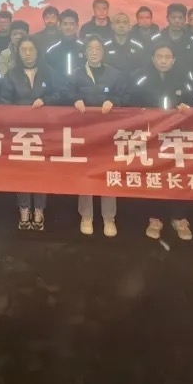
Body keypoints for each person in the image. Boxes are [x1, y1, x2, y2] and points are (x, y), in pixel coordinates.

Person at [130, 42, 193, 241]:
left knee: (177, 175)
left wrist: (187, 105)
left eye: (167, 57)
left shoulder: (185, 78)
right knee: (154, 175)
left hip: (177, 136)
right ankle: (155, 218)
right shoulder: (140, 78)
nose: (163, 60)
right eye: (159, 56)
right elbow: (130, 103)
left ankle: (179, 217)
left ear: (174, 60)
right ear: (153, 59)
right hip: (151, 137)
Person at [66, 36, 128, 237]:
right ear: (84, 52)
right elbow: (64, 93)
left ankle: (109, 218)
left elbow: (126, 96)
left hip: (108, 132)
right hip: (83, 132)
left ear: (103, 52)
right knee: (86, 172)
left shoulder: (115, 75)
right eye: (90, 49)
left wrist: (114, 101)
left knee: (108, 172)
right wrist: (75, 99)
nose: (94, 52)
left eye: (98, 49)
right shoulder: (75, 74)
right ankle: (86, 215)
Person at [0, 37, 61, 230]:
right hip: (20, 132)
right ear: (18, 53)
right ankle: (24, 208)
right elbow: (4, 102)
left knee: (41, 170)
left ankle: (40, 209)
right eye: (23, 50)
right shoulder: (11, 75)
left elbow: (61, 94)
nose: (27, 53)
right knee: (23, 170)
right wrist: (22, 110)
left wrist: (46, 101)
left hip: (45, 131)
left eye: (31, 49)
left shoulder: (49, 72)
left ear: (37, 51)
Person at [152, 3, 193, 72]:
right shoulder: (156, 39)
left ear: (185, 20)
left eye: (180, 18)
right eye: (173, 17)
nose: (177, 21)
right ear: (167, 18)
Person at [103, 12, 147, 77]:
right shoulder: (104, 46)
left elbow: (143, 68)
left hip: (132, 81)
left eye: (125, 23)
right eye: (118, 22)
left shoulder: (138, 46)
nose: (121, 26)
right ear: (112, 26)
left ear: (129, 27)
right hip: (110, 81)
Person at [44, 9, 85, 79]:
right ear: (59, 26)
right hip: (57, 85)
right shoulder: (51, 49)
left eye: (72, 24)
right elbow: (46, 73)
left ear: (77, 26)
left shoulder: (85, 47)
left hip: (81, 85)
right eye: (65, 24)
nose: (68, 27)